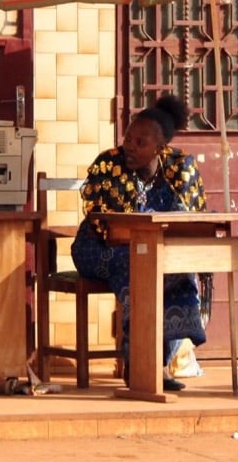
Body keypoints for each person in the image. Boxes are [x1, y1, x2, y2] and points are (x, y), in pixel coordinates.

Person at [71, 93, 208, 391]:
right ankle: (137, 364)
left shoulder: (179, 168)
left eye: (140, 142)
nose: (129, 146)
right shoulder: (109, 164)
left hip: (154, 250)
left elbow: (193, 217)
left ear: (160, 148)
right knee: (137, 264)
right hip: (98, 247)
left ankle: (156, 363)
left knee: (179, 274)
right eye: (128, 138)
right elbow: (98, 219)